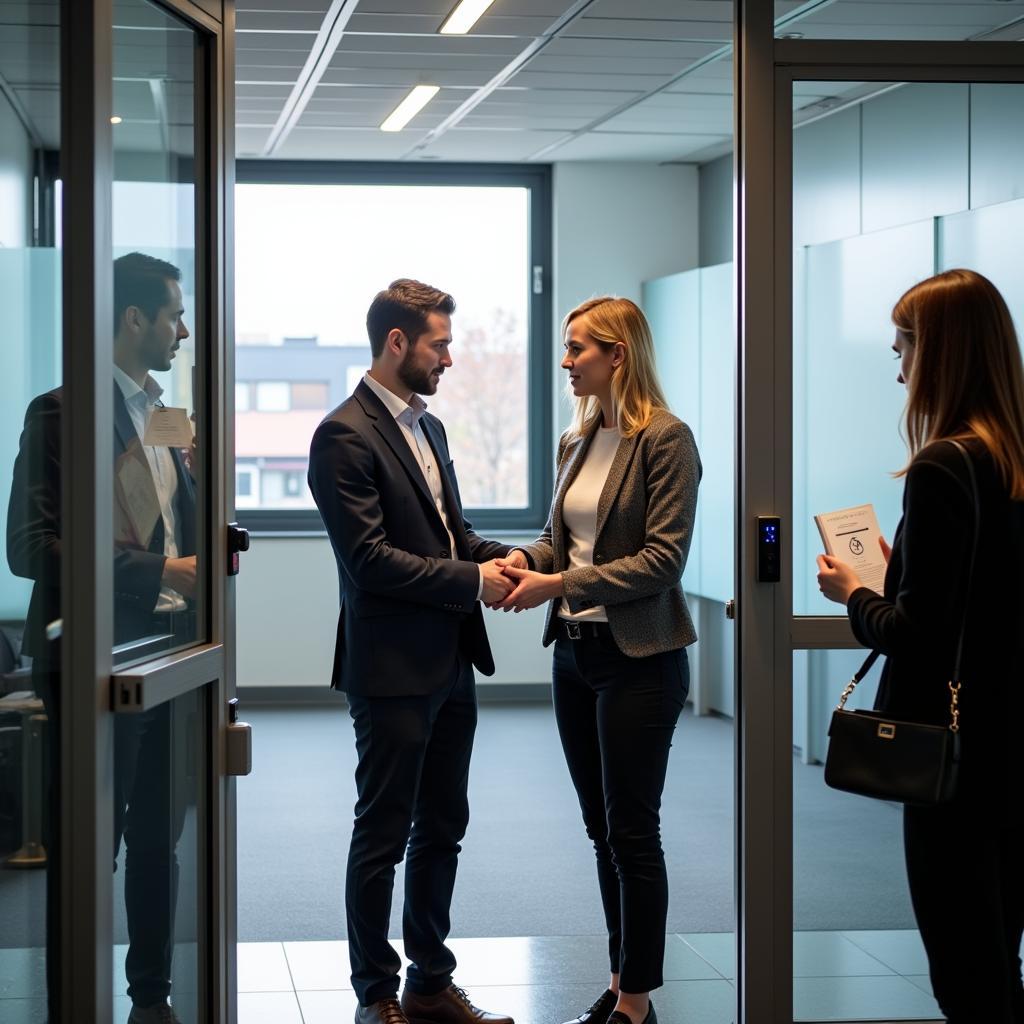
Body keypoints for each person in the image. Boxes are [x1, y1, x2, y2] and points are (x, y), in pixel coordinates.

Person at [307, 279, 524, 1024]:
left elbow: (450, 532)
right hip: (392, 669)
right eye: (440, 343)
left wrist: (509, 557)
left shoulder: (427, 429)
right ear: (396, 342)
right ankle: (376, 995)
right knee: (383, 833)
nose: (451, 359)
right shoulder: (343, 433)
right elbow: (369, 561)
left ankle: (430, 983)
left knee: (443, 828)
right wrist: (474, 581)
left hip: (450, 663)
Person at [816, 268, 1024, 1023]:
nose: (899, 365)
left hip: (958, 758)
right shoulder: (1011, 460)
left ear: (941, 353)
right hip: (1013, 748)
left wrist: (856, 594)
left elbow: (917, 635)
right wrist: (901, 567)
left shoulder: (944, 465)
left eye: (904, 345)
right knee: (1003, 944)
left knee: (967, 964)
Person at [496, 296, 701, 1024]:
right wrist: (527, 560)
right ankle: (622, 979)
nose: (566, 361)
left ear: (619, 355)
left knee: (632, 831)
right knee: (599, 829)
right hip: (575, 659)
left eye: (577, 348)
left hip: (640, 659)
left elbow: (661, 561)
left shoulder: (667, 440)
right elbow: (562, 541)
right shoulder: (576, 441)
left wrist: (558, 583)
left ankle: (636, 1000)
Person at [7, 251, 197, 1024]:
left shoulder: (165, 413)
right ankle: (73, 1006)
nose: (183, 331)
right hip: (94, 662)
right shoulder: (60, 413)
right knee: (93, 851)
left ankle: (151, 1000)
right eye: (173, 316)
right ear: (133, 319)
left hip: (172, 661)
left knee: (159, 844)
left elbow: (178, 519)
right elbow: (30, 546)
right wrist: (162, 570)